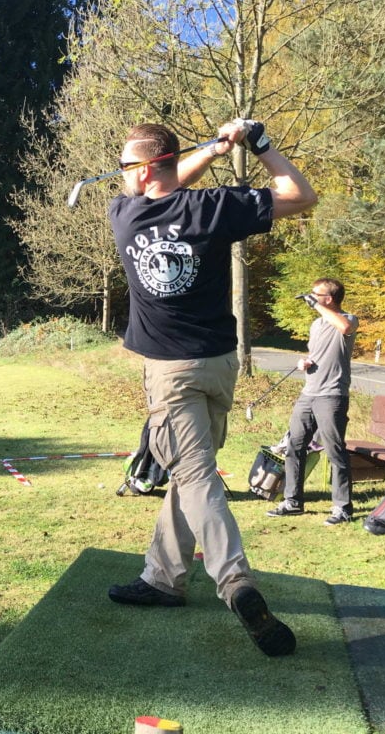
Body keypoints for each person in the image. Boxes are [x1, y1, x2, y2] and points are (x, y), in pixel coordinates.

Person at [105, 118, 317, 657]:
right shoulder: (214, 208)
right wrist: (254, 145)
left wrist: (214, 152)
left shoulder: (125, 214)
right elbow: (300, 195)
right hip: (220, 365)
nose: (121, 174)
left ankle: (234, 581)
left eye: (126, 165)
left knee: (196, 475)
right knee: (189, 473)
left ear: (144, 170)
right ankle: (162, 577)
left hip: (170, 373)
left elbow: (168, 179)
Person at [266, 278, 359, 525]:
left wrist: (316, 305)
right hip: (309, 393)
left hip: (332, 395)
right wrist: (304, 362)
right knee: (294, 446)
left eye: (316, 294)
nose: (311, 297)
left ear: (329, 298)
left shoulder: (348, 319)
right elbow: (317, 353)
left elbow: (344, 328)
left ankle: (343, 508)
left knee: (334, 450)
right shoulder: (317, 324)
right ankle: (293, 502)